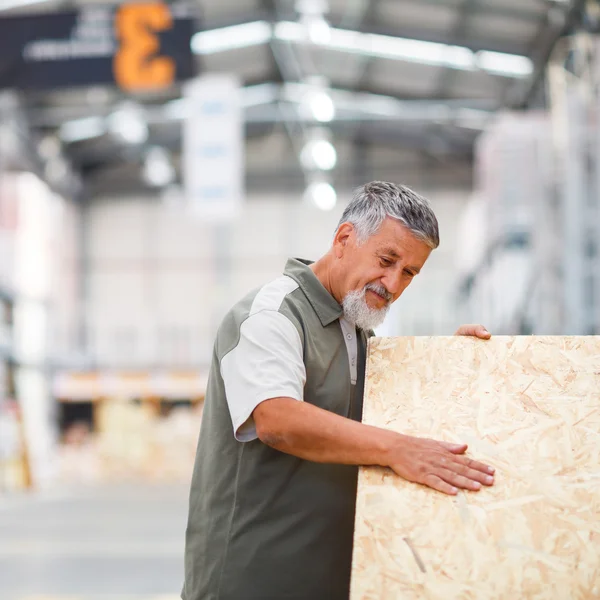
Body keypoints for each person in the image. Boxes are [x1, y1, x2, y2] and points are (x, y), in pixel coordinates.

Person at [182, 181, 495, 600]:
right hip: (252, 579)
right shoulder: (271, 315)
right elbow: (278, 420)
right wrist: (397, 449)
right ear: (345, 238)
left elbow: (386, 412)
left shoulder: (355, 327)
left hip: (328, 578)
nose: (394, 283)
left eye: (409, 273)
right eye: (387, 260)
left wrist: (450, 362)